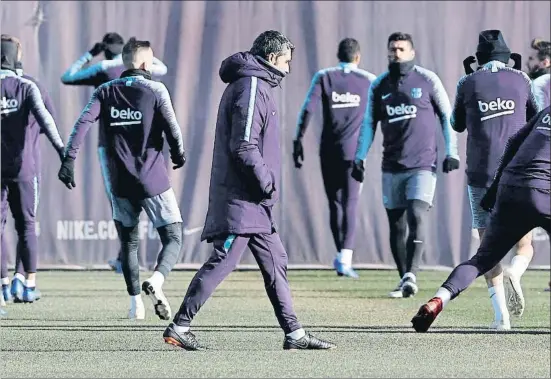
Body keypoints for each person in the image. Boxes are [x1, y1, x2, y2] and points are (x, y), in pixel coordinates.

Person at [163, 30, 335, 351]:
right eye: (286, 61)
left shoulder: (257, 84)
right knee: (223, 261)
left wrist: (265, 189)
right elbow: (243, 145)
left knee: (276, 261)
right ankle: (180, 325)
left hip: (256, 204)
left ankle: (294, 334)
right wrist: (266, 182)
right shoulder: (252, 86)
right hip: (242, 200)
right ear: (271, 59)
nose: (288, 68)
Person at [58, 38, 186, 320]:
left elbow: (82, 123)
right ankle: (157, 281)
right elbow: (172, 129)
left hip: (119, 181)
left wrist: (69, 160)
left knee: (129, 242)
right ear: (144, 63)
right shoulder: (155, 89)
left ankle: (135, 306)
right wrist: (178, 154)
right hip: (153, 178)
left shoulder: (103, 90)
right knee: (174, 236)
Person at [411, 106, 550, 333]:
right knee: (521, 249)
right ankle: (515, 271)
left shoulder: (547, 111)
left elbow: (514, 141)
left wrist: (495, 189)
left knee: (482, 260)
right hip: (544, 191)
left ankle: (438, 301)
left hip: (510, 187)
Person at [352, 32, 460, 298]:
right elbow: (368, 124)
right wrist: (359, 157)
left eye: (401, 49)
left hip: (423, 164)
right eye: (392, 49)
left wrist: (452, 151)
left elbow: (448, 117)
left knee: (416, 213)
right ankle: (405, 280)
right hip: (391, 166)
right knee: (397, 225)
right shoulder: (379, 85)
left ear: (412, 53)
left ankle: (412, 274)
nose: (396, 53)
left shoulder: (427, 80)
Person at [452, 30, 541, 330]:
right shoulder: (522, 80)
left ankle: (501, 317)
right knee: (524, 243)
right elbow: (537, 119)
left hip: (480, 176)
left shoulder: (467, 82)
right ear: (507, 57)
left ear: (479, 59)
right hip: (518, 172)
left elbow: (456, 124)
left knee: (488, 249)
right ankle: (517, 271)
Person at [60, 32, 169, 274]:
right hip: (142, 145)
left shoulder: (104, 68)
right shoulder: (140, 70)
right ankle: (125, 258)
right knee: (140, 199)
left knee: (121, 202)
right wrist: (140, 55)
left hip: (110, 146)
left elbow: (67, 77)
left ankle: (125, 258)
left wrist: (90, 53)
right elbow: (161, 68)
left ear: (105, 48)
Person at [293, 38, 376, 278]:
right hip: (355, 154)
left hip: (328, 151)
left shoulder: (324, 77)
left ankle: (341, 256)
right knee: (350, 203)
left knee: (335, 203)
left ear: (337, 55)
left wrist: (297, 140)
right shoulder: (369, 81)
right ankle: (345, 259)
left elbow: (307, 109)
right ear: (357, 57)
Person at [1, 34, 65, 303]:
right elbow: (48, 120)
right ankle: (26, 283)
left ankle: (4, 285)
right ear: (17, 56)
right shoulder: (30, 86)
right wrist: (65, 153)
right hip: (25, 165)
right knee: (26, 225)